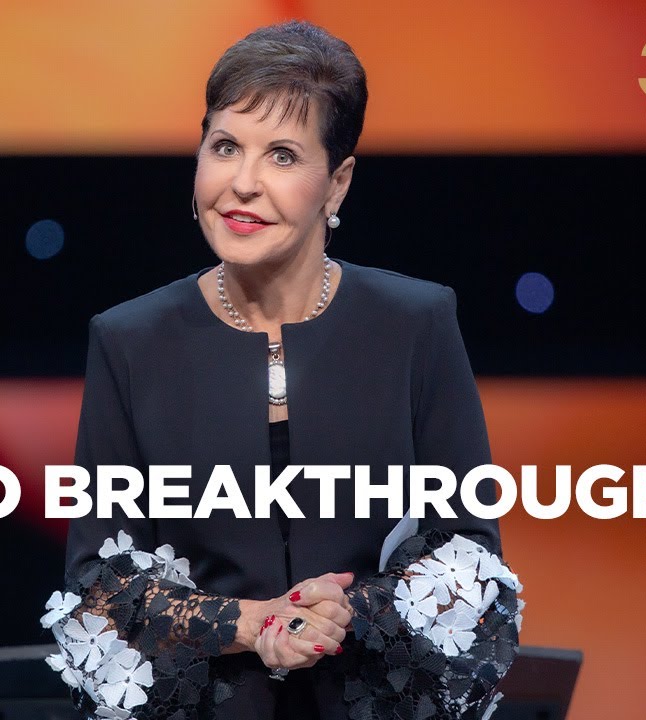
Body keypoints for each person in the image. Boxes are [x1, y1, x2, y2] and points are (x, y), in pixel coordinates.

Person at [40, 20, 521, 720]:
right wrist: (250, 622)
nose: (243, 183)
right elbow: (98, 585)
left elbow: (470, 558)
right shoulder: (129, 341)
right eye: (225, 146)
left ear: (337, 183)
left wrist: (345, 612)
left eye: (283, 156)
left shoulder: (416, 324)